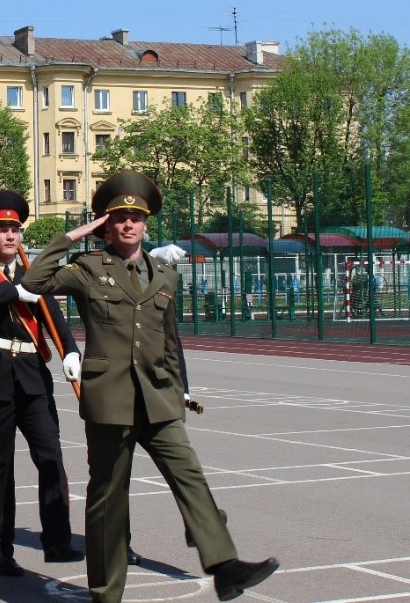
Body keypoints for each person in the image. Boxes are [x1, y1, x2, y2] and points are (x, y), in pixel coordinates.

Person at [21, 171, 279, 603]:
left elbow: (169, 341)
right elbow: (34, 283)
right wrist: (72, 234)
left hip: (158, 397)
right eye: (119, 218)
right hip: (110, 401)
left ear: (145, 224)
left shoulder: (164, 275)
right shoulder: (87, 269)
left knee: (190, 474)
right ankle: (106, 592)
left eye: (135, 218)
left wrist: (180, 390)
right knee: (108, 499)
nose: (127, 225)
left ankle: (225, 567)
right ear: (107, 224)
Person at [0, 190, 83, 576]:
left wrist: (71, 351)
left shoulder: (33, 274)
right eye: (2, 230)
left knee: (51, 456)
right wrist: (13, 290)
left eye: (15, 229)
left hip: (31, 372)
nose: (11, 235)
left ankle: (58, 541)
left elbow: (52, 316)